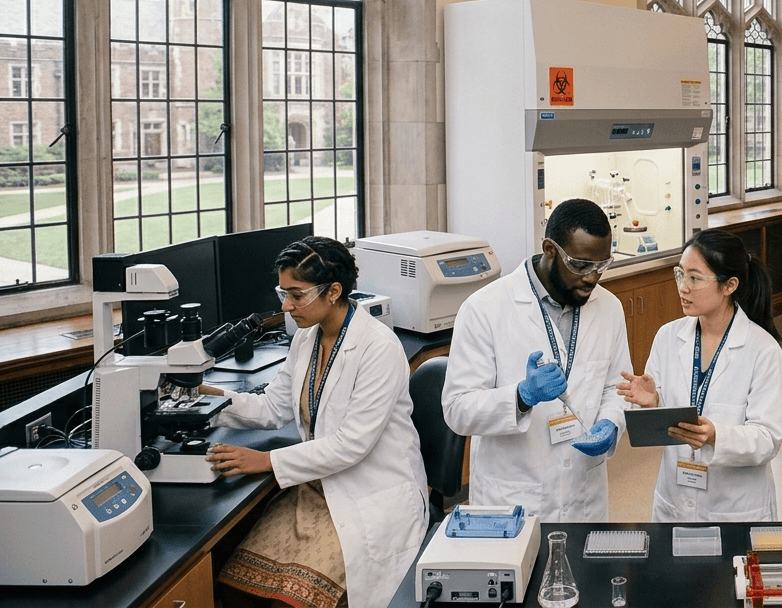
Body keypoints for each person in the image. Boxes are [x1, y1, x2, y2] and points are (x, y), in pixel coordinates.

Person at [201, 236, 428, 608]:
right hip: (316, 488)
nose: (287, 306)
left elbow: (351, 444)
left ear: (334, 291)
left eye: (297, 294)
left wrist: (267, 462)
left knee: (291, 604)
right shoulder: (306, 338)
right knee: (233, 587)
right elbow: (274, 407)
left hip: (370, 494)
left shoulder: (378, 348)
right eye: (282, 293)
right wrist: (211, 401)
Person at [442, 198, 631, 522]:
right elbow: (457, 409)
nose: (591, 278)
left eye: (601, 266)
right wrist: (520, 396)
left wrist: (612, 423)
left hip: (583, 495)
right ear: (549, 249)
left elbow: (618, 386)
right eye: (581, 265)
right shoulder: (485, 308)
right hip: (512, 498)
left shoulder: (609, 307)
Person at [617, 229, 782, 522]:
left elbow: (767, 439)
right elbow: (665, 422)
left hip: (735, 508)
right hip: (675, 500)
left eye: (695, 278)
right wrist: (652, 402)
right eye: (680, 275)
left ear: (729, 285)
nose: (683, 287)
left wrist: (716, 435)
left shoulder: (763, 350)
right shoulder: (669, 336)